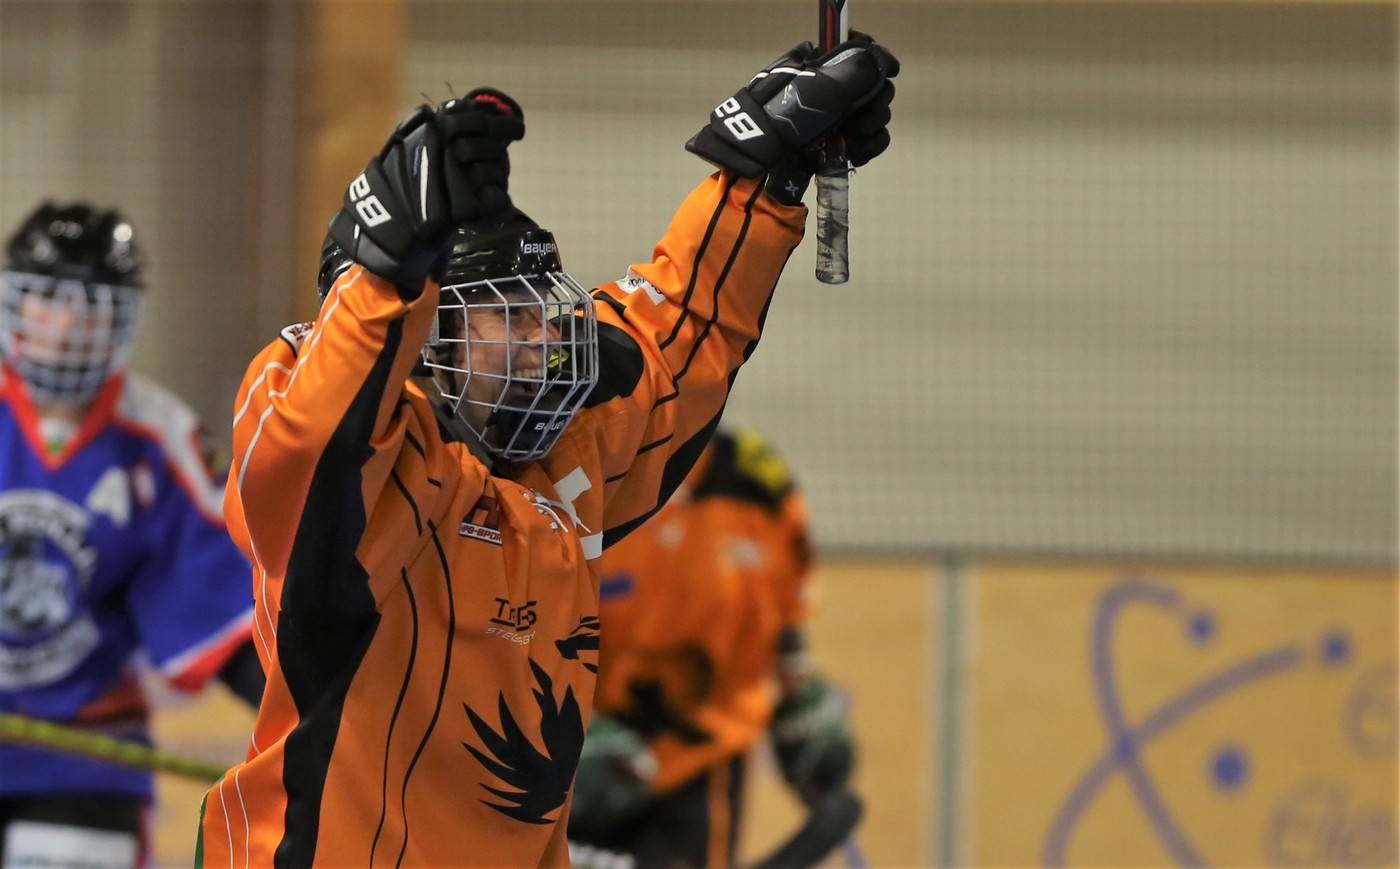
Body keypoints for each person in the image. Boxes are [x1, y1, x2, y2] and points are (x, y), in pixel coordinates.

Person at [197, 33, 897, 867]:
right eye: (508, 313)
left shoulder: (565, 465)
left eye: (543, 310)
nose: (543, 339)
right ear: (430, 333)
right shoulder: (367, 473)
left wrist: (761, 174)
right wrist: (384, 274)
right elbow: (311, 439)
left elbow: (676, 335)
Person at [0, 201, 264, 868]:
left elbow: (217, 619)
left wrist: (318, 717)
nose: (68, 326)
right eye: (49, 300)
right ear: (15, 303)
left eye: (93, 305)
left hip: (82, 754)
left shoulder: (157, 439)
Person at [566, 426, 859, 869]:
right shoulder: (576, 469)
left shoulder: (756, 484)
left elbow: (786, 619)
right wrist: (561, 733)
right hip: (583, 757)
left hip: (702, 759)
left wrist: (801, 696)